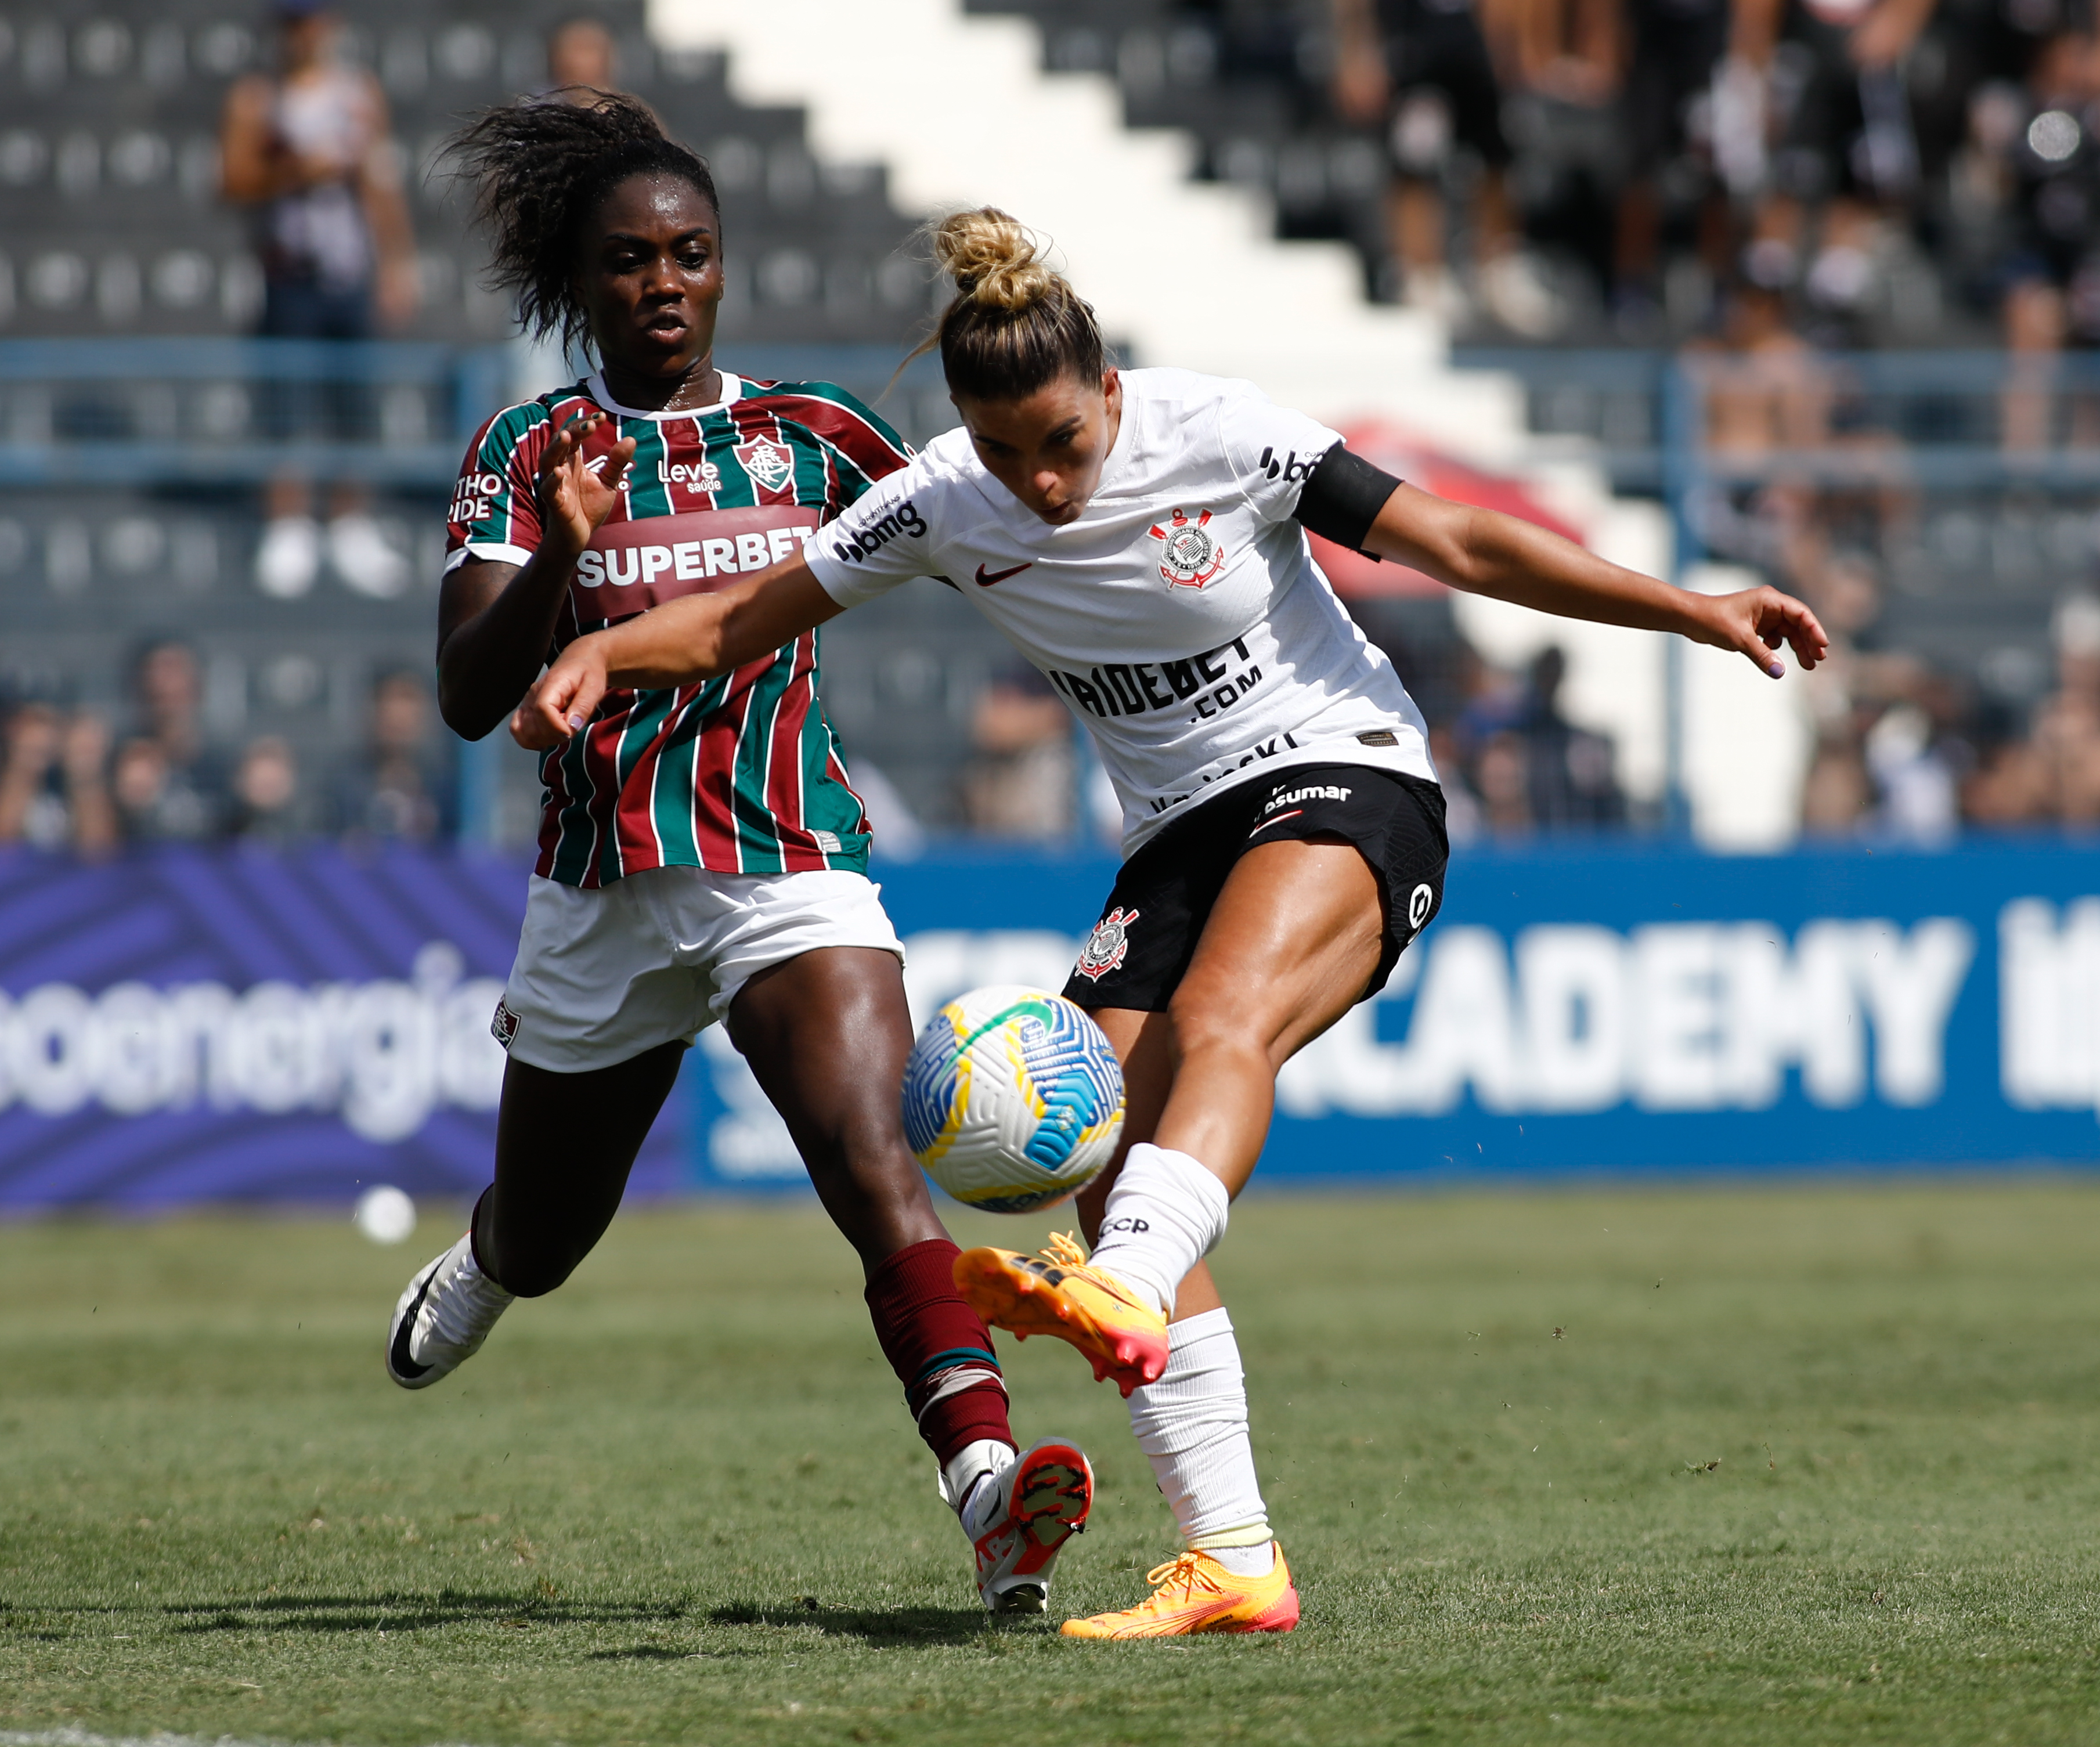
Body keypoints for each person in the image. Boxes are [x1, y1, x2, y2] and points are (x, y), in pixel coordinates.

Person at [514, 207, 1831, 1637]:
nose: (1040, 482)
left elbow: (1453, 541)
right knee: (1096, 1135)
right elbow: (729, 622)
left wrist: (1691, 610)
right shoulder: (941, 500)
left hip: (1344, 775)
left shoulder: (1219, 432)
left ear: (1110, 393)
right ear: (962, 432)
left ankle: (1124, 1282)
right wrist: (595, 646)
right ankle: (1231, 1559)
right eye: (1006, 454)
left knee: (1220, 1024)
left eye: (1063, 445)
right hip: (1177, 835)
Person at [385, 100, 1092, 1619]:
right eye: (629, 259)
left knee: (872, 1160)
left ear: (723, 271)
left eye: (689, 255)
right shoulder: (527, 450)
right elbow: (465, 692)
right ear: (583, 284)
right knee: (553, 1231)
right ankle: (491, 1260)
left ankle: (988, 1490)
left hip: (789, 861)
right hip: (602, 893)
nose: (662, 281)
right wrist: (566, 561)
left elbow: (990, 536)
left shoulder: (812, 437)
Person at [220, 0, 419, 599]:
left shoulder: (358, 95)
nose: (307, 35)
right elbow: (233, 180)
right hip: (289, 272)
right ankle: (287, 520)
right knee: (285, 398)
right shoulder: (258, 99)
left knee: (356, 399)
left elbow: (380, 181)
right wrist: (295, 171)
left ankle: (348, 518)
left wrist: (396, 261)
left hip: (348, 269)